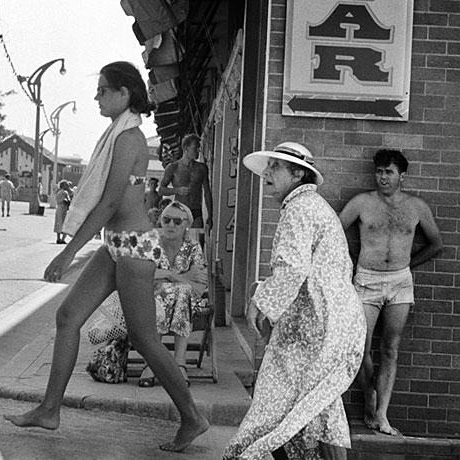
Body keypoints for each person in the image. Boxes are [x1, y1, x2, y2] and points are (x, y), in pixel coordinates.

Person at [3, 61, 208, 452]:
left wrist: (68, 253)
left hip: (134, 247)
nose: (96, 97)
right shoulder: (117, 134)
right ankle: (49, 409)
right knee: (68, 317)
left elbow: (111, 201)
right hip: (115, 244)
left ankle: (192, 417)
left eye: (102, 90)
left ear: (124, 93)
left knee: (145, 339)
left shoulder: (129, 138)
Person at [224, 142, 366, 460]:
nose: (267, 172)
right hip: (331, 320)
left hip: (320, 322)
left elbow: (292, 267)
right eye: (268, 166)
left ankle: (248, 453)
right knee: (318, 401)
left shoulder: (300, 208)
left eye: (275, 166)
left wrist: (260, 302)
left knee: (284, 398)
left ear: (298, 174)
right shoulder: (309, 206)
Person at [338, 148, 444, 436]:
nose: (383, 177)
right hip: (366, 280)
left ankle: (381, 415)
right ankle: (370, 397)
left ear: (402, 176)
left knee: (390, 348)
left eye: (389, 172)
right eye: (379, 172)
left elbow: (436, 243)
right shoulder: (361, 203)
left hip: (400, 282)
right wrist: (350, 260)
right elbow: (334, 232)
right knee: (359, 347)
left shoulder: (416, 207)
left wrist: (408, 265)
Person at [138, 201, 208, 388]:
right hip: (152, 301)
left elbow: (199, 285)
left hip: (186, 303)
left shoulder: (193, 247)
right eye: (166, 220)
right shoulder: (152, 243)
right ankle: (177, 365)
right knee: (168, 292)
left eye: (177, 221)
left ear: (187, 225)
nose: (171, 225)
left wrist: (164, 276)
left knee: (181, 291)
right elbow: (142, 274)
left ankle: (155, 364)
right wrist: (176, 276)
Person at [158, 134, 213, 230]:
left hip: (196, 211)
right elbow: (161, 190)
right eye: (195, 148)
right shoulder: (173, 167)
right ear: (186, 148)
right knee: (180, 237)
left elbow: (207, 192)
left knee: (197, 237)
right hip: (179, 210)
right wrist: (177, 190)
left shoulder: (202, 168)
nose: (198, 150)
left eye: (199, 148)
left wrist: (210, 215)